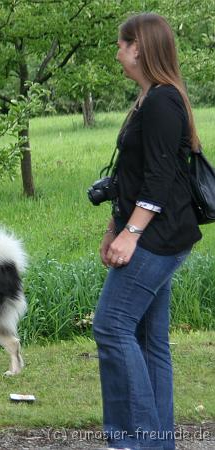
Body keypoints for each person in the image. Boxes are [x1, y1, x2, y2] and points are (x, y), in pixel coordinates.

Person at [92, 13, 202, 450]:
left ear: (138, 47)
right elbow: (132, 176)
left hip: (157, 237)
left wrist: (131, 234)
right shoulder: (151, 98)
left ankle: (133, 442)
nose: (117, 53)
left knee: (111, 326)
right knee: (146, 338)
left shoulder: (161, 102)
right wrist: (112, 227)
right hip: (155, 232)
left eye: (121, 45)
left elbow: (157, 181)